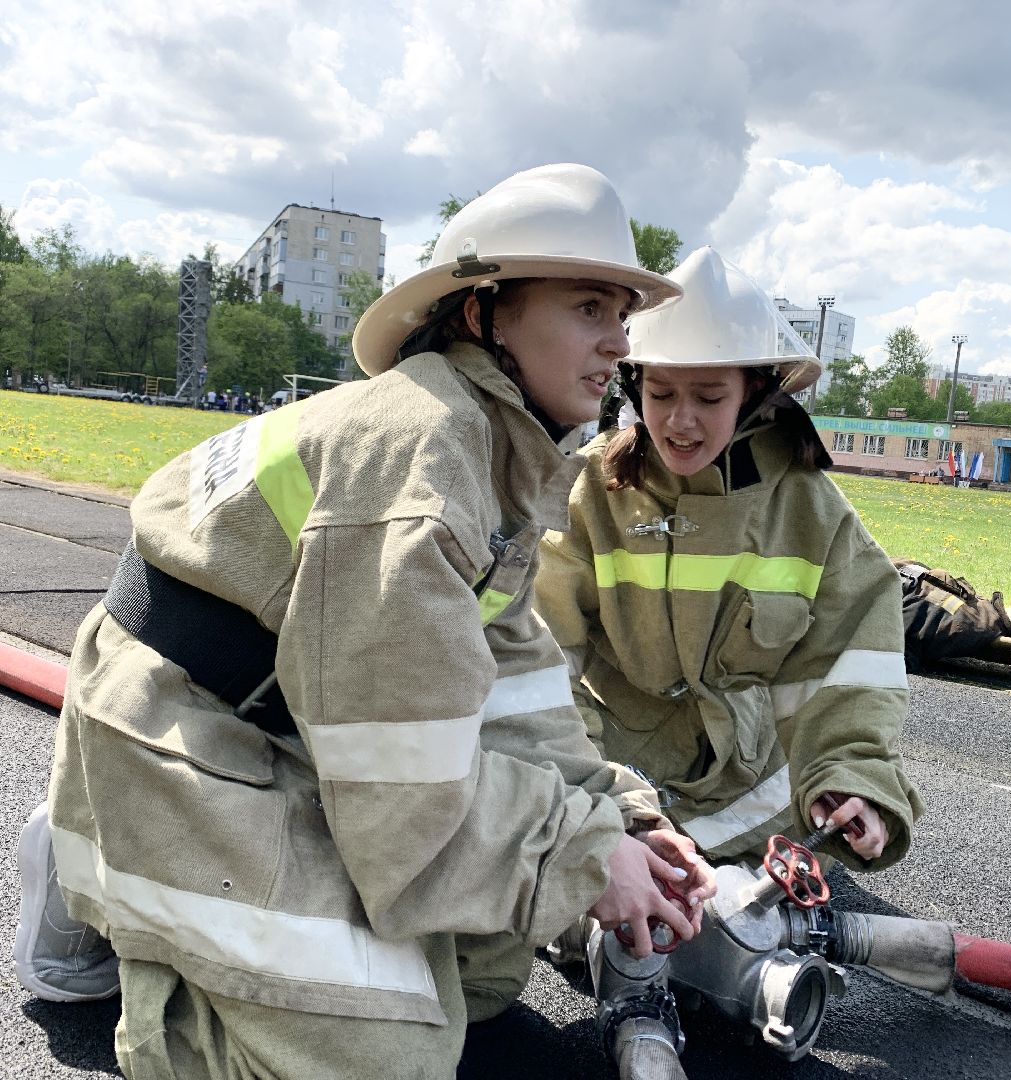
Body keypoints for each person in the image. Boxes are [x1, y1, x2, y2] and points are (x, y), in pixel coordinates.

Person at [15, 164, 714, 1080]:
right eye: (589, 307)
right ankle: (120, 920)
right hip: (175, 729)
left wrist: (617, 813)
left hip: (285, 717)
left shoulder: (494, 453)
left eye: (622, 314)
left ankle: (132, 875)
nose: (619, 342)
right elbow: (397, 794)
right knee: (390, 1056)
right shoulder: (424, 458)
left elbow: (515, 681)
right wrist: (583, 854)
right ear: (484, 314)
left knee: (484, 969)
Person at [534, 247, 922, 870]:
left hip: (752, 790)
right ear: (633, 386)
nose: (680, 421)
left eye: (710, 398)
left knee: (752, 897)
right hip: (607, 765)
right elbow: (539, 659)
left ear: (754, 393)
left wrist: (848, 781)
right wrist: (600, 803)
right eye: (660, 393)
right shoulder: (588, 490)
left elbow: (851, 663)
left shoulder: (808, 509)